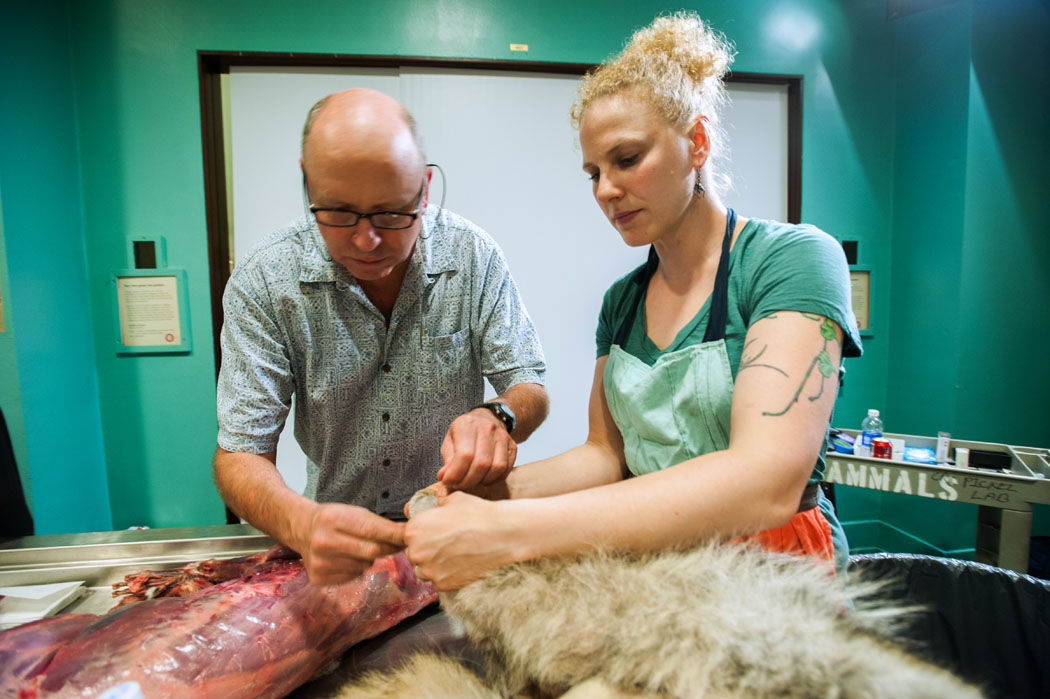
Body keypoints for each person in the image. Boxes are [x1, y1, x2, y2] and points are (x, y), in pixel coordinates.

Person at [404, 12, 862, 590]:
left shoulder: (789, 261)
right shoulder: (623, 302)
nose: (605, 190)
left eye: (626, 160)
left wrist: (511, 528)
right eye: (593, 172)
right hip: (658, 571)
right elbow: (605, 456)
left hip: (775, 577)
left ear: (697, 142)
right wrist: (469, 498)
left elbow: (764, 481)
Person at [214, 89, 549, 585]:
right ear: (308, 181)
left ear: (425, 189)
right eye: (339, 212)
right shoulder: (266, 281)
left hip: (456, 532)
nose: (366, 240)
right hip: (337, 544)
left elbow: (531, 388)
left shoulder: (474, 257)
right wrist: (299, 522)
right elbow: (240, 453)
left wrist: (497, 414)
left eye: (392, 213)